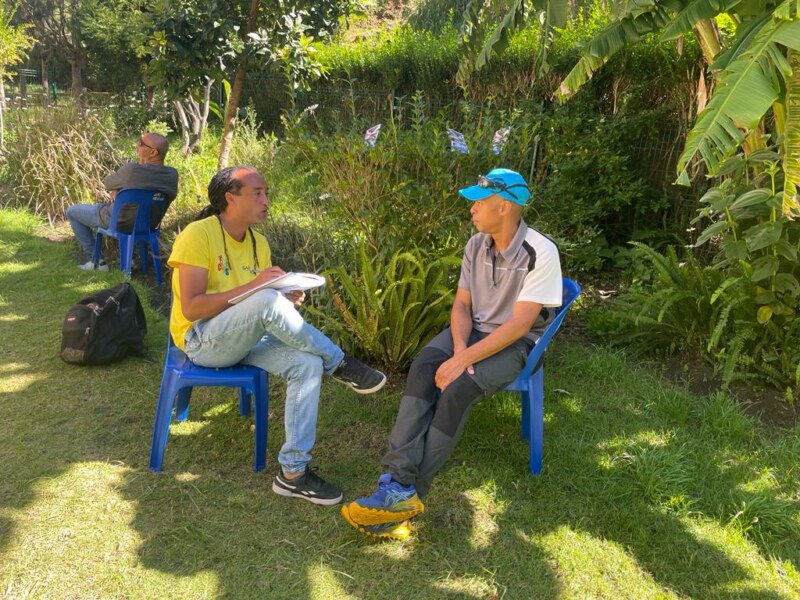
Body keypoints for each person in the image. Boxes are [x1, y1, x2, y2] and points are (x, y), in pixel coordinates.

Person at [341, 168, 563, 539]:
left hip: (516, 344)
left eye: (479, 200)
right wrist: (460, 349)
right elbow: (461, 306)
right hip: (471, 333)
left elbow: (521, 326)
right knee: (425, 365)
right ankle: (398, 481)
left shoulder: (540, 251)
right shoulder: (476, 244)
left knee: (458, 388)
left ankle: (408, 492)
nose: (472, 207)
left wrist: (464, 362)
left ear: (505, 206)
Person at [168, 165, 387, 506]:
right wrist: (260, 291)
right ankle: (340, 362)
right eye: (257, 193)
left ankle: (293, 474)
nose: (266, 200)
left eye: (266, 193)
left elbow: (254, 305)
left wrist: (283, 298)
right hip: (203, 340)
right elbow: (193, 308)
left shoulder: (260, 243)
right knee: (269, 301)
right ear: (230, 198)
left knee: (306, 366)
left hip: (244, 338)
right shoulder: (198, 235)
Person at [66, 132, 179, 270]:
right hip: (149, 225)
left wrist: (118, 187)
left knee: (72, 211)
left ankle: (96, 262)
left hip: (117, 221)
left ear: (153, 152)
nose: (137, 145)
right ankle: (130, 260)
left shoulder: (132, 170)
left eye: (141, 143)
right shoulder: (172, 175)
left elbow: (108, 183)